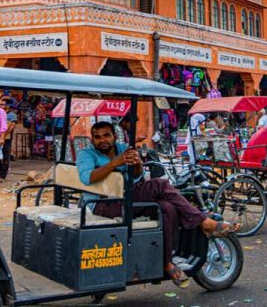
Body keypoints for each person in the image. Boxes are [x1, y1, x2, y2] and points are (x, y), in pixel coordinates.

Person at [78, 121, 238, 288]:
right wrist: (114, 163)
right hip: (101, 205)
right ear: (92, 140)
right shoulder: (87, 154)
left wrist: (137, 164)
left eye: (106, 135)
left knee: (167, 208)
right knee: (160, 185)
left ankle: (167, 262)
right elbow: (86, 178)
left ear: (114, 136)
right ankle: (203, 221)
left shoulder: (123, 148)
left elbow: (137, 178)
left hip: (126, 199)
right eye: (97, 137)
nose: (102, 140)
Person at [0, 98, 16, 182]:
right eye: (0, 104)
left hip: (7, 139)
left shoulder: (12, 115)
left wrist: (4, 135)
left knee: (5, 157)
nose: (1, 106)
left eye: (3, 104)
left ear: (8, 105)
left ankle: (2, 175)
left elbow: (12, 126)